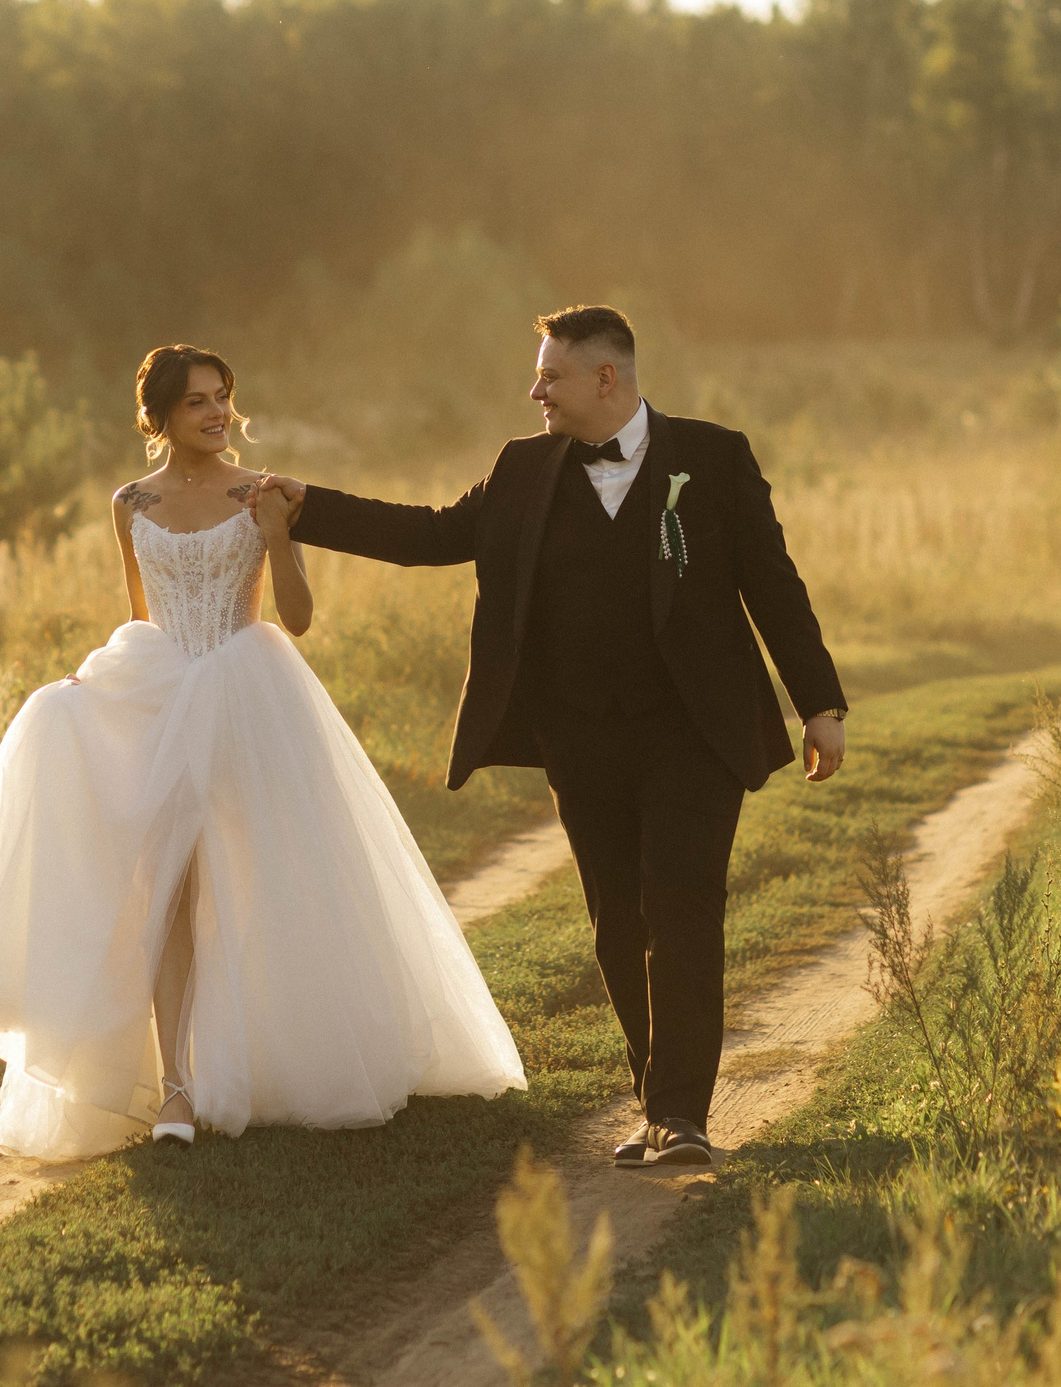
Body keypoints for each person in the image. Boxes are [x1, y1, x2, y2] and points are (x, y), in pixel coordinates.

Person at [260, 305, 845, 1167]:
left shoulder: (713, 458)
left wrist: (819, 702)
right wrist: (311, 509)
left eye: (550, 375)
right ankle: (658, 1102)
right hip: (582, 737)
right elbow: (432, 534)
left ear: (605, 377)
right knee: (618, 922)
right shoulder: (522, 469)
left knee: (683, 909)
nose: (535, 389)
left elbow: (774, 582)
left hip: (693, 734)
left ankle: (681, 1114)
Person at [0, 344, 525, 1161]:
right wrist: (111, 689)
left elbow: (296, 617)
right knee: (168, 891)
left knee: (272, 878)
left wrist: (280, 537)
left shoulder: (257, 492)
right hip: (162, 694)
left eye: (222, 397)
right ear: (159, 417)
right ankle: (179, 1086)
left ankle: (276, 1055)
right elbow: (143, 615)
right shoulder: (129, 502)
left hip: (249, 692)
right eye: (197, 402)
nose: (218, 413)